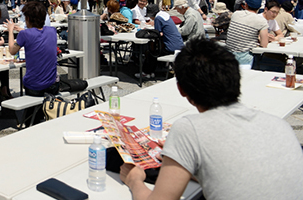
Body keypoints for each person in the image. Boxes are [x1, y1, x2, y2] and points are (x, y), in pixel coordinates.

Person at [120, 38, 303, 200]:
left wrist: (134, 180)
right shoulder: (278, 124)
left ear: (181, 89)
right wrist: (188, 163)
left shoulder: (190, 129)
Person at [6, 1, 58, 96]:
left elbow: (12, 51)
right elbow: (37, 33)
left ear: (28, 18)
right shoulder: (52, 31)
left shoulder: (24, 34)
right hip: (53, 84)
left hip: (34, 85)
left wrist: (10, 31)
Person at [225, 0, 268, 66]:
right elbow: (264, 45)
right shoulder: (262, 21)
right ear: (259, 7)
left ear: (246, 4)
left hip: (228, 54)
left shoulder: (236, 14)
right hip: (245, 56)